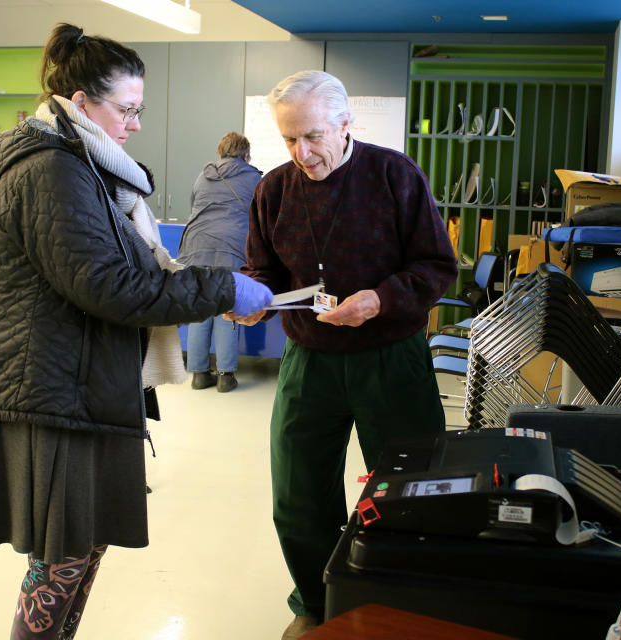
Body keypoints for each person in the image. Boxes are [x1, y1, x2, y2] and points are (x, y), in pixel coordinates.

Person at [0, 24, 272, 640]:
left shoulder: (81, 165)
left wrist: (206, 287)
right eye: (125, 110)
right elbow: (111, 287)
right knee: (62, 561)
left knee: (77, 554)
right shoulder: (51, 169)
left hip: (70, 384)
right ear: (79, 104)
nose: (133, 124)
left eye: (139, 110)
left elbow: (122, 270)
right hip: (50, 393)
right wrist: (224, 288)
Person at [228, 70, 459, 640]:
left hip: (391, 357)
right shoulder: (274, 189)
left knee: (409, 495)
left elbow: (437, 267)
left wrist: (380, 300)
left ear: (345, 124)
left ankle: (398, 607)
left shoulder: (393, 174)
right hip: (310, 360)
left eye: (312, 136)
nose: (301, 153)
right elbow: (264, 269)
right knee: (299, 494)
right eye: (288, 140)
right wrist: (255, 298)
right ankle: (316, 602)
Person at [178, 132, 262, 393]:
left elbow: (193, 208)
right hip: (232, 250)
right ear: (246, 155)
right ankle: (226, 376)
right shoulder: (255, 178)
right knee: (228, 309)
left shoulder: (204, 175)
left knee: (200, 310)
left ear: (221, 153)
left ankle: (199, 375)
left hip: (196, 248)